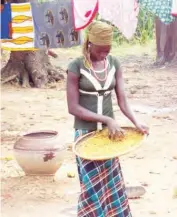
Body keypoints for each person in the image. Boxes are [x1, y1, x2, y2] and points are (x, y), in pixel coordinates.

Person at [67, 21, 149, 217]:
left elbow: (122, 101)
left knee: (111, 185)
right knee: (92, 187)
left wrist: (136, 122)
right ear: (90, 43)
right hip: (85, 135)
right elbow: (73, 107)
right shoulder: (76, 66)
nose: (105, 54)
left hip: (109, 135)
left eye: (108, 49)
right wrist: (107, 118)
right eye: (101, 50)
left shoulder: (114, 64)